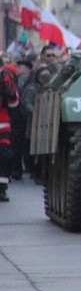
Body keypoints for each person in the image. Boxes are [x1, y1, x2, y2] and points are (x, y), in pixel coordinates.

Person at [0, 58, 20, 202]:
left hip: (3, 123)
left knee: (5, 155)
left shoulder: (6, 79)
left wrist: (9, 94)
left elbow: (15, 104)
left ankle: (2, 188)